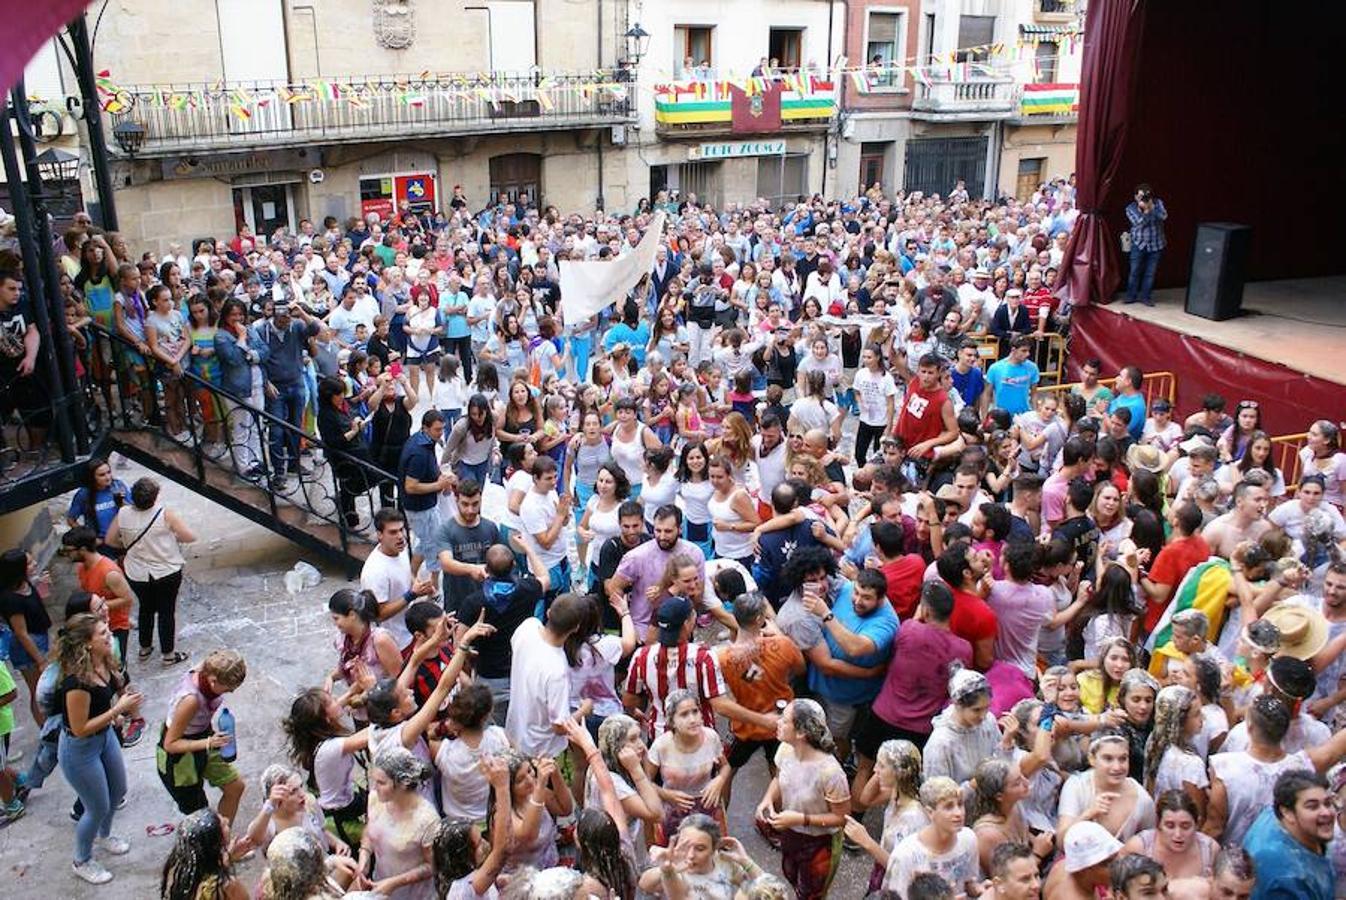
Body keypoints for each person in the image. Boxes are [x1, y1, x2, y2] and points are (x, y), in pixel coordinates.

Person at [56, 613, 141, 885]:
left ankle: (105, 836)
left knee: (118, 791)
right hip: (79, 749)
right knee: (96, 806)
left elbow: (104, 704)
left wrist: (116, 713)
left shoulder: (104, 661)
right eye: (103, 633)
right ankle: (81, 860)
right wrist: (117, 709)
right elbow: (80, 727)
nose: (109, 636)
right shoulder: (77, 683)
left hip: (105, 738)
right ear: (87, 643)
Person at [754, 698, 851, 900]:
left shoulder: (831, 772)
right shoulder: (786, 749)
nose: (777, 721)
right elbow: (779, 778)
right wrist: (767, 800)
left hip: (820, 842)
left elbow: (841, 818)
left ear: (801, 733)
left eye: (784, 719)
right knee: (791, 875)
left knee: (811, 894)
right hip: (791, 833)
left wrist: (800, 819)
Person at [104, 475, 195, 666]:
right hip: (166, 570)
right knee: (166, 611)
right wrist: (169, 538)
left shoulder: (123, 513)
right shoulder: (165, 514)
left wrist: (126, 544)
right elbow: (189, 537)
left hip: (136, 572)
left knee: (145, 608)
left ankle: (144, 649)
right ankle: (168, 654)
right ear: (154, 497)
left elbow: (110, 540)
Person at [155, 649, 249, 823]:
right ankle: (211, 844)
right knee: (200, 814)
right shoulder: (190, 700)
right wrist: (208, 742)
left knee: (235, 787)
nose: (230, 692)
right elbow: (170, 744)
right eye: (227, 689)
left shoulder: (210, 667)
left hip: (204, 739)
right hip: (180, 759)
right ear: (213, 680)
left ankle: (223, 836)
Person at [505, 591, 585, 759]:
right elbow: (559, 725)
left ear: (549, 612)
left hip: (514, 730)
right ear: (576, 628)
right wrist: (584, 710)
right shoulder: (557, 670)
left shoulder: (528, 627)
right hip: (540, 750)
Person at [1243, 769, 1336, 900]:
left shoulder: (1274, 813)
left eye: (1327, 803)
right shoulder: (1284, 878)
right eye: (1312, 806)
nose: (1326, 812)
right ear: (1287, 813)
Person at [883, 775, 982, 899]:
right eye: (948, 807)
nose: (958, 813)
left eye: (960, 804)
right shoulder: (905, 856)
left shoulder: (969, 839)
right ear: (930, 812)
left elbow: (968, 882)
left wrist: (980, 890)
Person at [359, 748, 439, 899]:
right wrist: (364, 857)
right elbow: (370, 830)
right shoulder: (375, 799)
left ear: (403, 783)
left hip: (414, 894)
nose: (375, 787)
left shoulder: (427, 819)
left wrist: (395, 883)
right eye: (374, 781)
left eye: (381, 783)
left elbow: (433, 865)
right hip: (380, 885)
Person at [360, 507, 434, 652]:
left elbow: (407, 573)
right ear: (380, 535)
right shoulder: (375, 571)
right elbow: (379, 615)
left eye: (402, 529)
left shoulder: (399, 549)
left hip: (411, 631)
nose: (400, 536)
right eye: (393, 532)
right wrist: (411, 595)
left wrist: (418, 585)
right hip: (396, 642)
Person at [160, 808, 250, 900]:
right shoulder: (228, 886)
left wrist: (227, 857)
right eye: (223, 825)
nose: (227, 820)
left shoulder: (179, 873)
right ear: (215, 843)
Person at [1042, 820, 1125, 900]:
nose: (1117, 866)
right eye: (1107, 864)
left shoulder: (1063, 866)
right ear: (1083, 870)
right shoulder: (1069, 895)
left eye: (1116, 857)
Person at [1124, 184, 1167, 306]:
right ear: (1135, 196)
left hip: (1156, 243)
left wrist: (1152, 208)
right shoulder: (1130, 208)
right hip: (1138, 243)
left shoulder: (1158, 203)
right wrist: (1146, 211)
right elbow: (1138, 223)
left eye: (1145, 196)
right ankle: (1131, 296)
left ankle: (1145, 297)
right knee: (1135, 270)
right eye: (1140, 196)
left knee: (1150, 273)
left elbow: (1164, 216)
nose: (1142, 199)